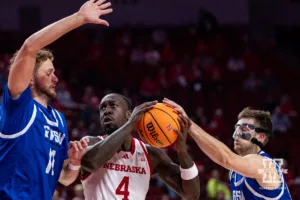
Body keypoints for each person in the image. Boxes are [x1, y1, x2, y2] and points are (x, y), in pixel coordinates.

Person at [0, 1, 113, 199]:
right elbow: (28, 48)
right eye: (49, 72)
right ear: (31, 79)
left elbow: (65, 178)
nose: (56, 79)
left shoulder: (59, 119)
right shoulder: (19, 108)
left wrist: (75, 162)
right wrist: (79, 18)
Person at [163, 98, 292, 199]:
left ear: (260, 137)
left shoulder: (264, 165)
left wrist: (189, 125)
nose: (235, 134)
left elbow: (225, 158)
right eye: (236, 128)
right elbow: (220, 157)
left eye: (243, 129)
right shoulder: (236, 171)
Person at [78, 93, 200, 200]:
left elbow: (191, 195)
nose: (106, 111)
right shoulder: (90, 143)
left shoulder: (150, 154)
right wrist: (131, 124)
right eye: (102, 108)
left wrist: (182, 153)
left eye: (113, 105)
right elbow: (91, 163)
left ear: (129, 114)